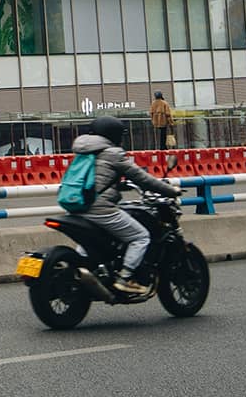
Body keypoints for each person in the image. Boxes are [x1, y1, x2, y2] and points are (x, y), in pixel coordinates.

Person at [70, 116, 181, 297]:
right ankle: (125, 278)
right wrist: (170, 190)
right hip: (100, 209)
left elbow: (96, 178)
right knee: (141, 236)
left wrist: (117, 184)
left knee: (88, 242)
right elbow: (142, 178)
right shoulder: (114, 153)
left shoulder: (83, 151)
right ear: (113, 135)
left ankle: (84, 269)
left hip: (77, 206)